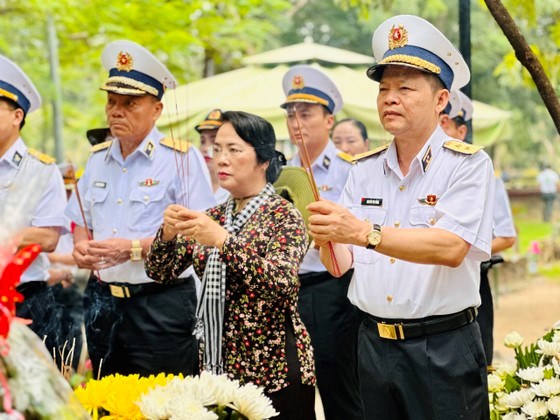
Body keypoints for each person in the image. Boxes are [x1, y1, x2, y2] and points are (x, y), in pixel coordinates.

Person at [307, 15, 494, 419]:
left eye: (405, 88)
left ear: (441, 100)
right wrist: (326, 235)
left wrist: (361, 230)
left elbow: (450, 247)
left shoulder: (468, 164)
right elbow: (342, 264)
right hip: (372, 344)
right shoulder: (363, 168)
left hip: (442, 346)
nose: (390, 98)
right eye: (385, 88)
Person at [145, 111, 316, 419]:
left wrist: (224, 242)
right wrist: (167, 234)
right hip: (218, 367)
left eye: (234, 150)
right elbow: (160, 272)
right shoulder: (211, 216)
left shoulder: (283, 215)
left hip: (274, 368)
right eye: (217, 149)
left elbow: (282, 284)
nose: (221, 159)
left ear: (263, 159)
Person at [65, 40, 215, 378]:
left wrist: (132, 249)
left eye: (130, 103)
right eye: (111, 102)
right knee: (107, 399)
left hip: (160, 302)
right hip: (103, 301)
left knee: (165, 404)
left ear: (157, 109)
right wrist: (81, 247)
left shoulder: (180, 158)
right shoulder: (97, 159)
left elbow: (199, 235)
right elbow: (80, 219)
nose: (116, 111)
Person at [280, 65, 362, 419]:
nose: (297, 121)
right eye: (291, 114)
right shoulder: (279, 173)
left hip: (333, 290)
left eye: (307, 113)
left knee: (339, 386)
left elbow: (365, 233)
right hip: (287, 292)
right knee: (290, 390)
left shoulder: (352, 168)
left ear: (329, 120)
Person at [440, 90, 517, 365]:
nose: (436, 129)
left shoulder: (480, 170)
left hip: (471, 279)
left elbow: (507, 236)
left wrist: (458, 247)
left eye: (444, 123)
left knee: (477, 362)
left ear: (461, 131)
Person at [0, 54, 67, 360]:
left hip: (24, 299)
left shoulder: (41, 170)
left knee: (28, 395)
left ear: (17, 116)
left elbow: (47, 238)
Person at [196, 109, 229, 204]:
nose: (205, 148)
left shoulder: (236, 189)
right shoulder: (191, 185)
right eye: (202, 141)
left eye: (214, 142)